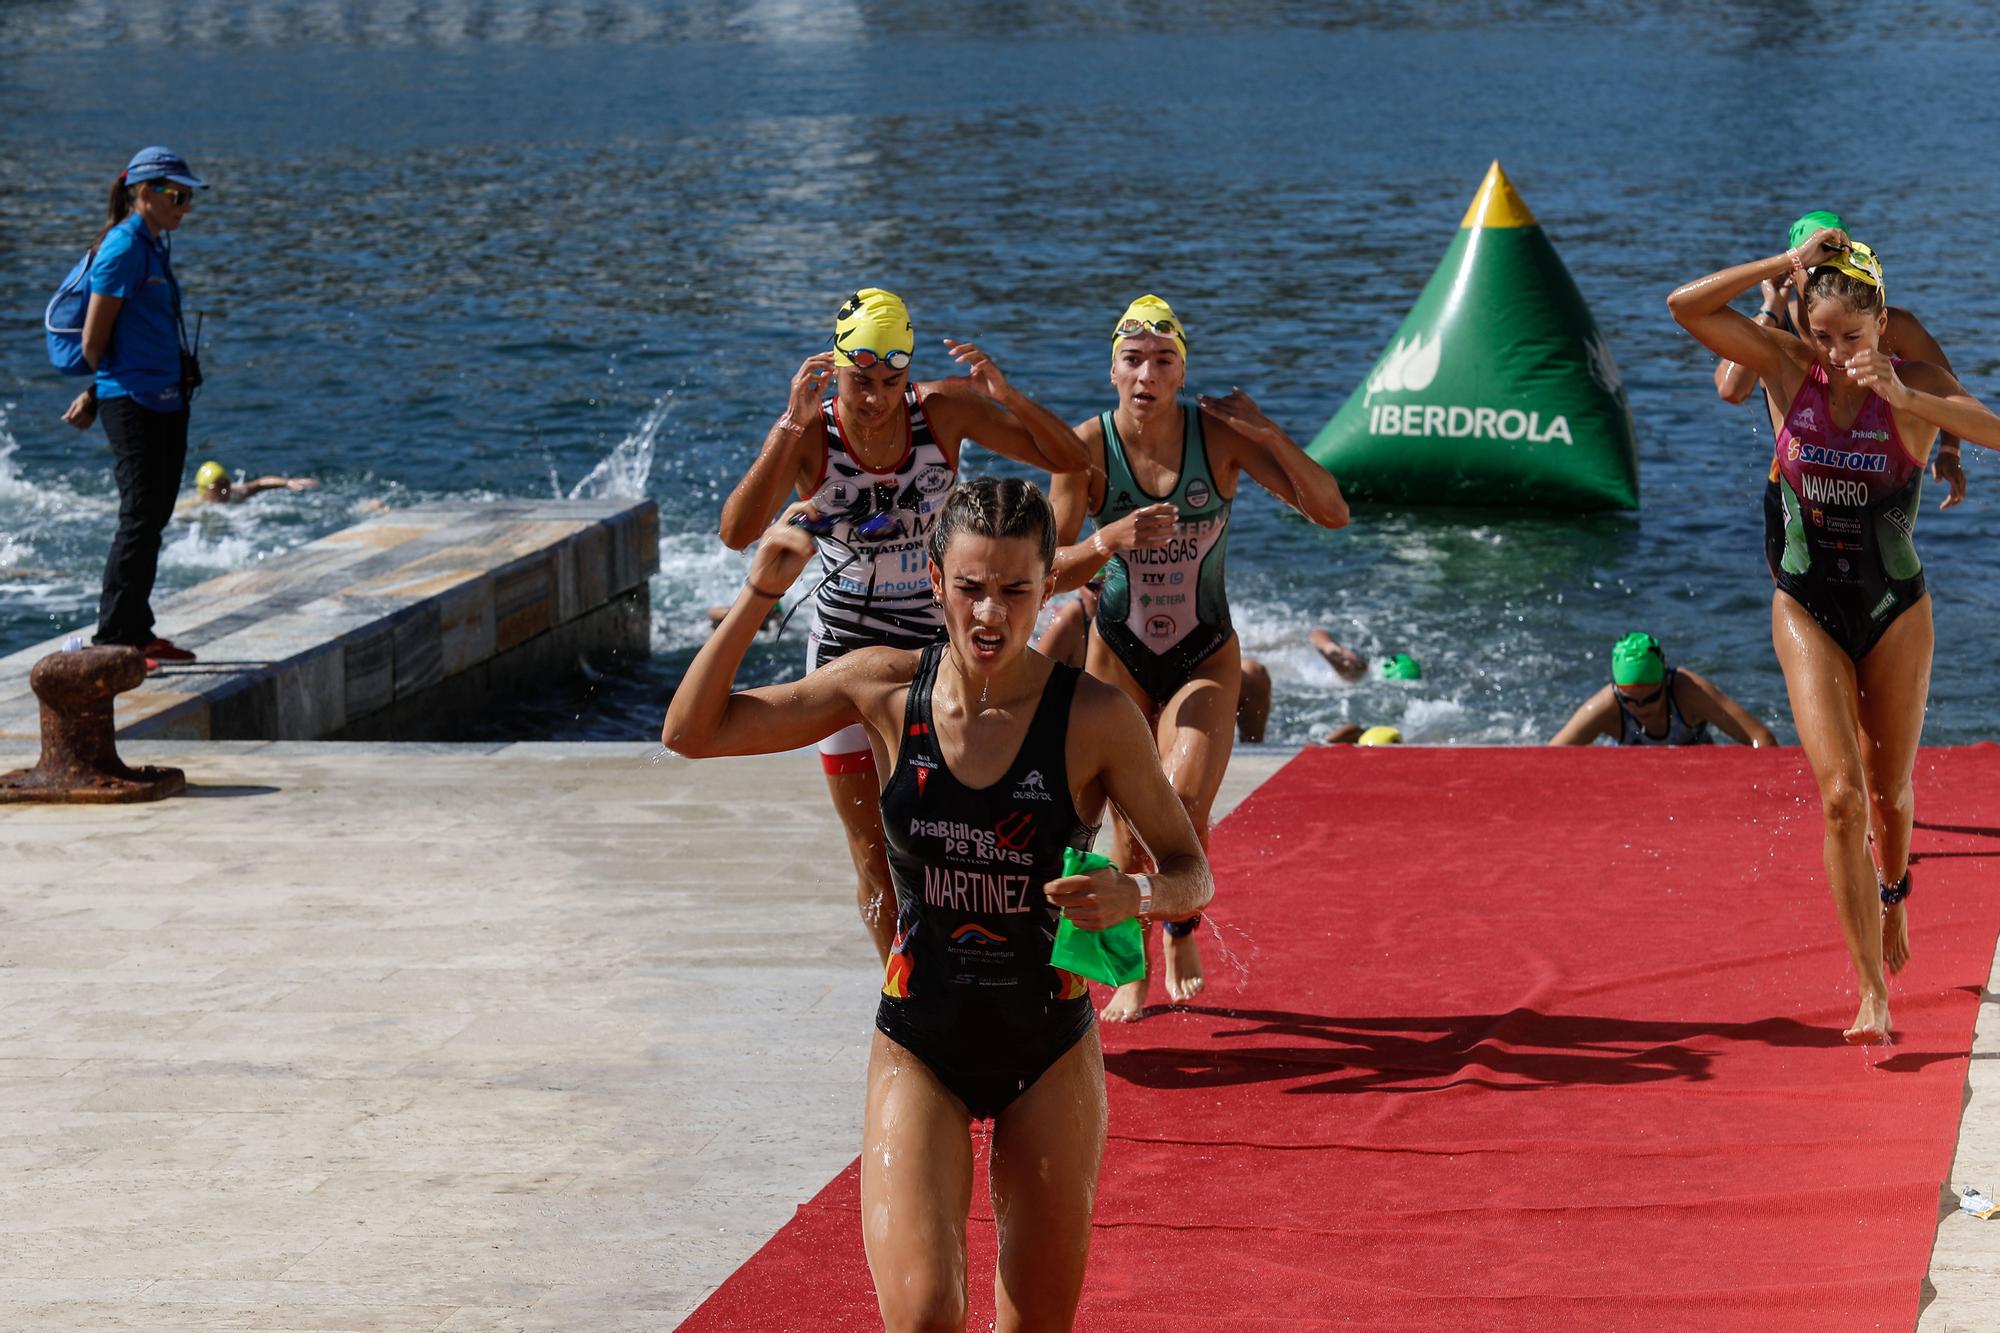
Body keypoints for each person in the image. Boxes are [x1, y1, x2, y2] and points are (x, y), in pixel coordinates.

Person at [665, 478, 1212, 1330]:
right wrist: (760, 592)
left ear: (1050, 587)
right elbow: (691, 732)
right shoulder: (883, 689)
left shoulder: (1094, 718)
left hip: (1048, 1046)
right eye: (971, 588)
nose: (991, 613)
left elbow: (1190, 870)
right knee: (922, 1316)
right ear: (934, 583)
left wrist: (1135, 893)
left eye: (1016, 590)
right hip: (921, 1040)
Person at [1669, 227, 2000, 1043]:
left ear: (1881, 322)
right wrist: (1782, 270)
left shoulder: (1913, 377)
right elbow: (1685, 306)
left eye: (1849, 337)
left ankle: (1893, 896)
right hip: (1805, 601)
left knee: (1890, 794)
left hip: (1895, 608)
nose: (1834, 352)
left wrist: (1904, 394)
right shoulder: (1789, 368)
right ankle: (1869, 993)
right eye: (1822, 336)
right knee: (1844, 798)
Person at [718, 289, 1093, 964]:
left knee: (948, 836)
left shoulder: (940, 411)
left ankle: (976, 969)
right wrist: (787, 425)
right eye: (861, 381)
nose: (876, 399)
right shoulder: (813, 432)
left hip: (931, 653)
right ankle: (902, 987)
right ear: (835, 370)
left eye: (892, 381)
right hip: (841, 654)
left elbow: (1069, 459)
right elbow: (736, 532)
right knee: (872, 854)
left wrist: (1008, 395)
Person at [1049, 295, 1350, 1021]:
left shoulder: (1216, 439)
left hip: (1203, 653)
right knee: (1119, 823)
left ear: (1182, 373)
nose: (1147, 372)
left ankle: (1181, 924)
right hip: (1116, 651)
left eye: (1163, 360)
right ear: (1111, 368)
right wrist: (1106, 540)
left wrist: (1267, 431)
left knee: (1180, 801)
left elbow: (1332, 510)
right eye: (1133, 359)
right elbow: (1042, 571)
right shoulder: (1085, 448)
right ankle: (1131, 965)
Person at [60, 147, 208, 664]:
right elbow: (94, 342)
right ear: (145, 193)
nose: (185, 206)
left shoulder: (154, 244)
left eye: (189, 197)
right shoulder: (123, 248)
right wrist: (101, 390)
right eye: (177, 195)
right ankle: (115, 639)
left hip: (166, 396)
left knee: (157, 514)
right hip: (134, 401)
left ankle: (139, 630)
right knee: (139, 516)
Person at [1714, 210, 1967, 510]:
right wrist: (1772, 306)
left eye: (1834, 266)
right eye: (1813, 268)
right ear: (1793, 270)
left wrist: (1950, 449)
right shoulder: (1778, 327)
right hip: (1801, 480)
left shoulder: (1887, 325)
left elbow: (1948, 389)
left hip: (1872, 474)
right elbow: (1732, 389)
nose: (1825, 278)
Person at [1550, 632, 1779, 747]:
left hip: (1697, 777)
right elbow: (1550, 757)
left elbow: (1761, 738)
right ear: (1618, 691)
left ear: (1664, 682)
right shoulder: (1607, 705)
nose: (1641, 709)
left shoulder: (1687, 692)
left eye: (1651, 698)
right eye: (1630, 700)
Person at [188, 460, 319, 505]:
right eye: (218, 487)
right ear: (204, 490)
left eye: (226, 484)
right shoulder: (193, 507)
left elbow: (261, 483)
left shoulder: (235, 493)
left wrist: (287, 483)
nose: (224, 490)